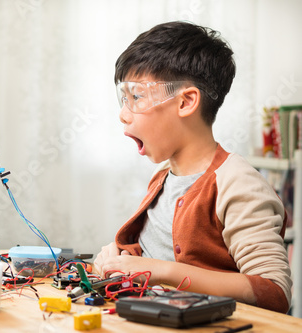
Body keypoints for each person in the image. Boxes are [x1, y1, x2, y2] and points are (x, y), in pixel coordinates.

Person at [93, 21, 292, 313]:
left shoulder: (237, 183)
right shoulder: (162, 178)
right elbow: (152, 254)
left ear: (186, 102)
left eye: (136, 96)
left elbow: (274, 292)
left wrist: (159, 271)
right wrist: (119, 258)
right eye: (123, 99)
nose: (123, 114)